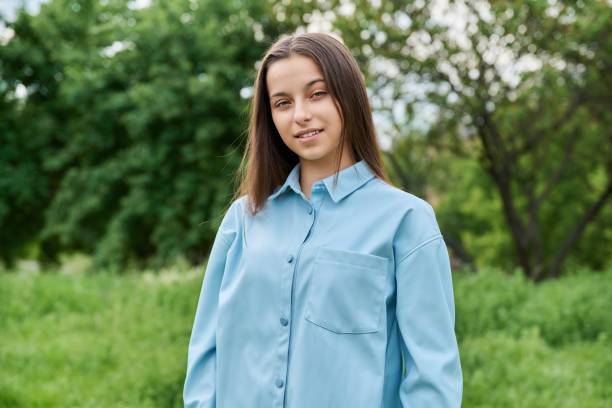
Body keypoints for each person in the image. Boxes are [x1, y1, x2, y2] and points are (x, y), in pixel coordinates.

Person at [183, 32, 462, 407]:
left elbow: (433, 376)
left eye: (317, 94)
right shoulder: (242, 221)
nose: (301, 114)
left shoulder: (406, 221)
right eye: (283, 103)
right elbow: (206, 351)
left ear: (349, 96)